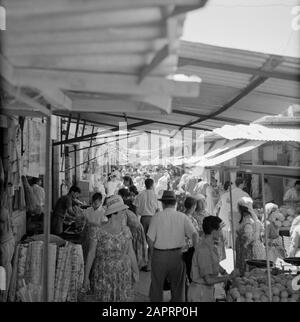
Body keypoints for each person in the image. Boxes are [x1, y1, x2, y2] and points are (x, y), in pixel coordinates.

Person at [82, 195, 139, 302]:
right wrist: (86, 277)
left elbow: (130, 252)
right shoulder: (97, 231)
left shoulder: (126, 230)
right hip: (104, 274)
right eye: (122, 210)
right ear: (114, 213)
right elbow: (91, 254)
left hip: (123, 274)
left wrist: (136, 271)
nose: (124, 213)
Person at [147, 190, 198, 302]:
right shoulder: (182, 217)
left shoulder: (156, 217)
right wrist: (194, 250)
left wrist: (153, 253)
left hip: (159, 255)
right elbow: (194, 234)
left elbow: (150, 239)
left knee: (156, 286)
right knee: (178, 288)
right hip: (178, 255)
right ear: (175, 203)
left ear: (163, 203)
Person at [188, 216, 238, 302]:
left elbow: (215, 264)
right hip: (200, 293)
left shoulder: (210, 246)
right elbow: (208, 279)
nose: (221, 233)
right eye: (220, 230)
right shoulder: (204, 250)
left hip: (206, 291)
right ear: (214, 231)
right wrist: (228, 277)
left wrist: (225, 272)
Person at [133, 178, 159, 271]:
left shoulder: (141, 194)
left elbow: (135, 208)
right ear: (152, 185)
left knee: (143, 241)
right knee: (151, 242)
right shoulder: (155, 195)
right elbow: (158, 210)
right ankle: (150, 265)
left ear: (145, 185)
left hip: (143, 219)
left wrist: (136, 219)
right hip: (152, 219)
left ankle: (142, 262)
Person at [118, 189, 148, 269]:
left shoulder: (124, 212)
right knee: (136, 248)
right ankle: (137, 264)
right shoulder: (126, 210)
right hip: (136, 228)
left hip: (135, 230)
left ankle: (135, 266)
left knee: (134, 249)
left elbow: (123, 226)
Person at [235, 197, 266, 275]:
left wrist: (244, 242)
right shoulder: (254, 219)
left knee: (248, 271)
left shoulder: (247, 221)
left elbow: (248, 236)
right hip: (255, 247)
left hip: (248, 250)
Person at [81, 193, 107, 262]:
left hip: (98, 236)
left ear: (101, 202)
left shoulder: (103, 212)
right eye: (92, 203)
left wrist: (91, 223)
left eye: (95, 203)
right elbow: (84, 219)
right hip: (87, 234)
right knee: (86, 252)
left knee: (95, 254)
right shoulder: (89, 210)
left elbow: (104, 226)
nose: (93, 205)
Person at [182, 197, 200, 284]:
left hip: (179, 248)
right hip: (189, 249)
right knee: (190, 272)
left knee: (181, 273)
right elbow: (196, 235)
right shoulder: (193, 220)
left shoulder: (180, 217)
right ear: (193, 207)